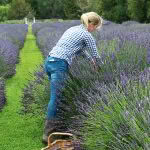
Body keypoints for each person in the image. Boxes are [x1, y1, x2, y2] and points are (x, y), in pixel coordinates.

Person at [42, 12, 103, 144]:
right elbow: (96, 55)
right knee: (56, 98)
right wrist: (101, 68)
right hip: (59, 64)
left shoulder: (73, 29)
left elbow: (79, 50)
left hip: (49, 62)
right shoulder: (87, 35)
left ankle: (56, 127)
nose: (95, 30)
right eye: (96, 27)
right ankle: (47, 134)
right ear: (91, 24)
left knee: (58, 96)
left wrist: (90, 61)